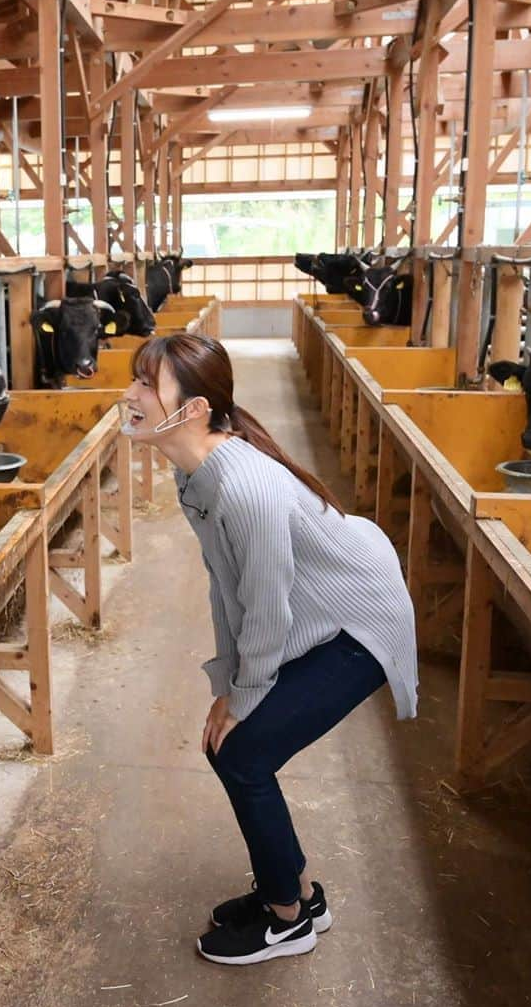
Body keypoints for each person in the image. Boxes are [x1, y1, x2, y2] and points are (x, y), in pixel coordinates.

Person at [120, 333, 417, 967]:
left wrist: (245, 695)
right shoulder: (198, 469)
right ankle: (300, 894)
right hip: (327, 609)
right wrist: (229, 684)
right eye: (136, 380)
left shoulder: (244, 487)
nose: (131, 395)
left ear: (194, 410)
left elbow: (269, 610)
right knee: (228, 744)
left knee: (243, 756)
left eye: (147, 384)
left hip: (359, 623)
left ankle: (286, 920)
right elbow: (229, 589)